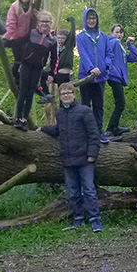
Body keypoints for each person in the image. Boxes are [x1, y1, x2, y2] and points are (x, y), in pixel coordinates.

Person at [39, 82, 102, 232]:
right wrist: (43, 128)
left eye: (68, 93)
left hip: (85, 159)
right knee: (73, 192)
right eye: (63, 94)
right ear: (60, 97)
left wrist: (92, 154)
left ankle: (95, 220)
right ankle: (78, 218)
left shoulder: (85, 111)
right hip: (67, 159)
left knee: (89, 190)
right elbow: (58, 130)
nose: (66, 96)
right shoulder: (60, 113)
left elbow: (94, 134)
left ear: (74, 94)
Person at [6, 11, 57, 131]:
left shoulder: (53, 40)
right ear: (38, 22)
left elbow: (55, 58)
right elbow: (19, 41)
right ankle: (17, 118)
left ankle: (24, 119)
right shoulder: (32, 33)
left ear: (51, 23)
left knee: (30, 93)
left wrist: (51, 73)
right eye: (42, 21)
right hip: (26, 65)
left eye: (47, 22)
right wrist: (6, 42)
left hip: (38, 68)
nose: (44, 24)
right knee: (22, 91)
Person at [77, 8, 113, 142]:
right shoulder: (81, 36)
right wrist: (91, 68)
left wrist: (106, 66)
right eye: (89, 18)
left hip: (101, 77)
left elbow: (109, 53)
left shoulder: (103, 36)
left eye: (94, 18)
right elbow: (83, 54)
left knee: (99, 106)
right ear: (85, 20)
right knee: (86, 105)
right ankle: (85, 133)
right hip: (86, 76)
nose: (91, 21)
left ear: (97, 20)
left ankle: (99, 133)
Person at [105, 24, 137, 137]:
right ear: (111, 33)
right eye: (117, 32)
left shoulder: (120, 48)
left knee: (120, 103)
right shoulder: (113, 42)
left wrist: (129, 44)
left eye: (121, 32)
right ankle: (110, 129)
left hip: (118, 77)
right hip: (114, 76)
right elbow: (107, 54)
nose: (119, 34)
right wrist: (109, 69)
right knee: (120, 103)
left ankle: (115, 127)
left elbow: (134, 58)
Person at [3, 0, 37, 87]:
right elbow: (11, 23)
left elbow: (38, 19)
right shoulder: (14, 7)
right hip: (16, 38)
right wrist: (6, 37)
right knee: (18, 60)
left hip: (29, 37)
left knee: (27, 60)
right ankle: (15, 79)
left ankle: (25, 81)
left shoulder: (34, 6)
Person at [37, 16, 76, 105]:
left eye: (62, 38)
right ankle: (47, 95)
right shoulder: (56, 48)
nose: (60, 40)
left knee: (64, 96)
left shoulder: (68, 47)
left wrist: (72, 22)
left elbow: (72, 34)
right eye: (59, 38)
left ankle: (68, 111)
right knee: (41, 73)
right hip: (56, 74)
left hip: (64, 75)